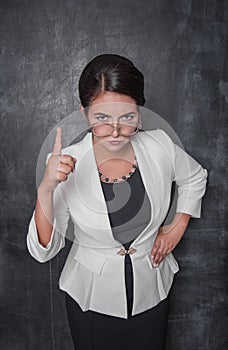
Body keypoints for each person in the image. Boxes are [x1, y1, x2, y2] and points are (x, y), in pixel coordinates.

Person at [27, 54, 208, 350]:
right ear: (84, 113)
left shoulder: (160, 144)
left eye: (127, 117)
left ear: (139, 111)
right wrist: (46, 188)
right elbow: (43, 251)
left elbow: (195, 177)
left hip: (152, 293)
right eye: (101, 118)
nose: (115, 131)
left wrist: (177, 226)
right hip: (91, 302)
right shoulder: (63, 164)